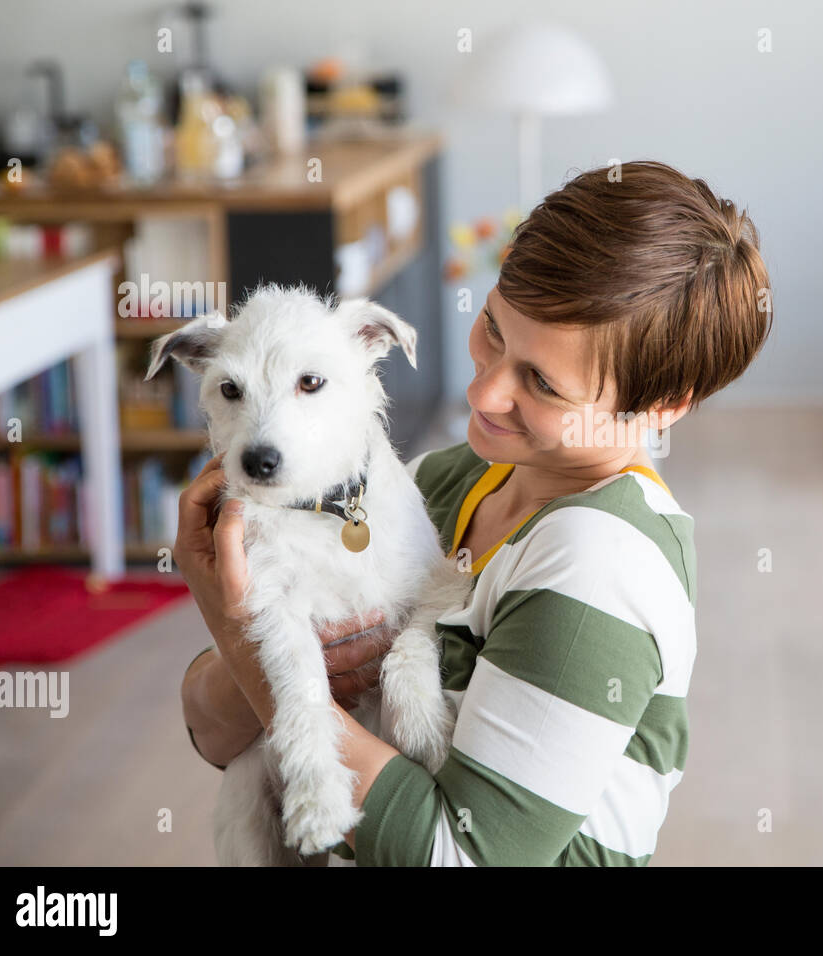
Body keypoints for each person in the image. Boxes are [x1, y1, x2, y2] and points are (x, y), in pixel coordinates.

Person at [177, 160, 773, 865]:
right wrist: (249, 644)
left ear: (663, 407)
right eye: (493, 329)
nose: (484, 392)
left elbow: (462, 855)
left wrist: (248, 644)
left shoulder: (599, 565)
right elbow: (214, 735)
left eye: (543, 383)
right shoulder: (442, 480)